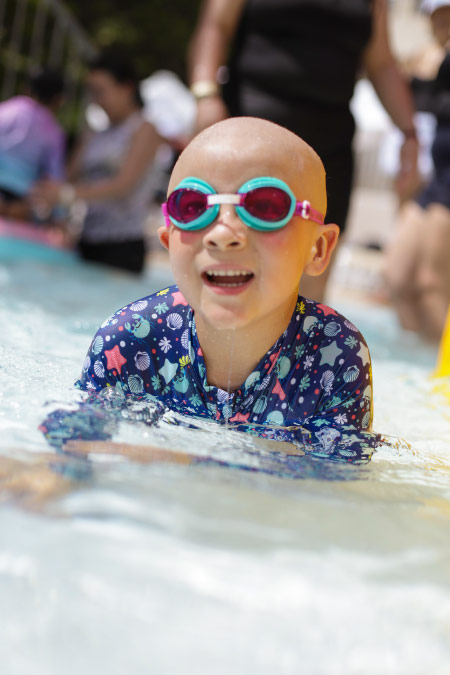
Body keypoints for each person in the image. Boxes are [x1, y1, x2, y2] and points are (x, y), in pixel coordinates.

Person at [42, 118, 380, 465]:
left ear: (318, 249)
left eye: (266, 206)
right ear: (169, 242)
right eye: (193, 207)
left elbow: (333, 483)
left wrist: (186, 463)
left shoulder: (334, 353)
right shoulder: (129, 340)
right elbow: (71, 452)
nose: (222, 233)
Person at [186, 0, 419, 302]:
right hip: (250, 136)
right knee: (231, 256)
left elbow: (381, 62)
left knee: (312, 269)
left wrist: (409, 133)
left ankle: (301, 335)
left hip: (329, 147)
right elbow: (215, 26)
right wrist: (205, 94)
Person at [32, 50, 160, 274]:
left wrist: (66, 194)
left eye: (101, 91)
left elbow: (123, 186)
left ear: (127, 87)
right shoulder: (94, 134)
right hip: (86, 240)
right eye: (92, 92)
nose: (96, 100)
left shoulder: (144, 130)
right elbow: (67, 178)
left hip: (123, 246)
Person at [383, 0, 450, 342]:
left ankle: (443, 364)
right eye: (436, 15)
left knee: (430, 282)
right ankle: (423, 362)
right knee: (396, 276)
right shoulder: (435, 57)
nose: (441, 22)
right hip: (438, 176)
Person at [0, 67, 65, 221]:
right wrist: (59, 216)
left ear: (27, 88)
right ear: (58, 99)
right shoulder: (54, 131)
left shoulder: (6, 110)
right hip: (21, 203)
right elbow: (54, 177)